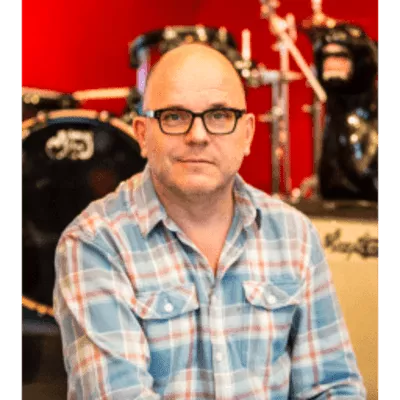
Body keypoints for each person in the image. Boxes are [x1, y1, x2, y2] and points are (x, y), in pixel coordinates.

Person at [53, 43, 366, 399]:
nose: (198, 136)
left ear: (247, 134)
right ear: (142, 134)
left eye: (219, 115)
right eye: (174, 116)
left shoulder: (294, 235)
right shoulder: (94, 244)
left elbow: (333, 387)